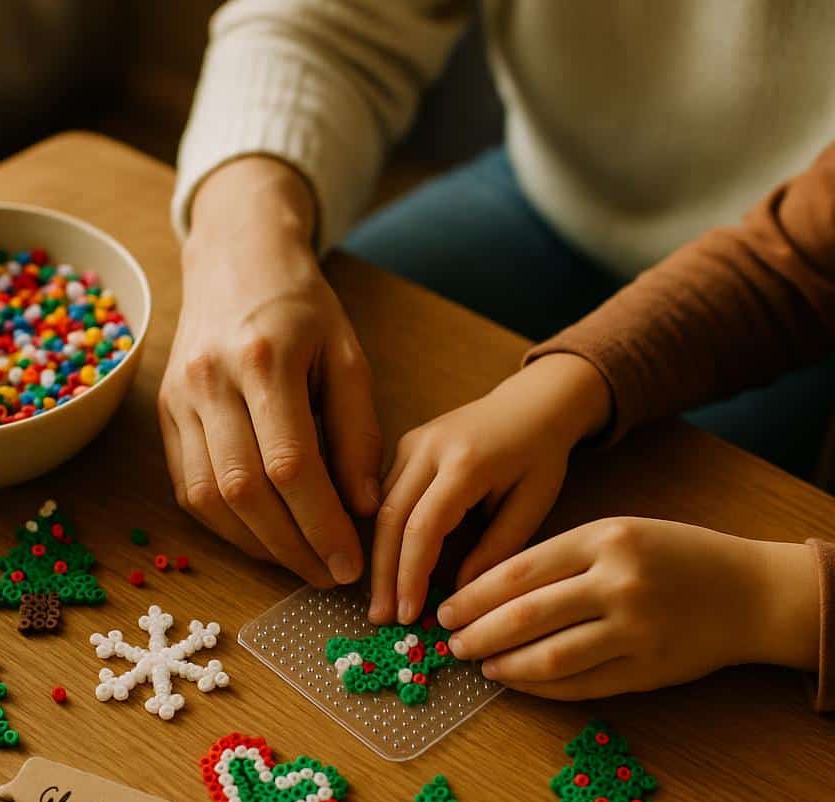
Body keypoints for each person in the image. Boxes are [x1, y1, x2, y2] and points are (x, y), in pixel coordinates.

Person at [163, 1, 835, 707]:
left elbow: (803, 259)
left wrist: (771, 598)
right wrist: (235, 244)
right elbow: (328, 20)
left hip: (802, 310)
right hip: (552, 189)